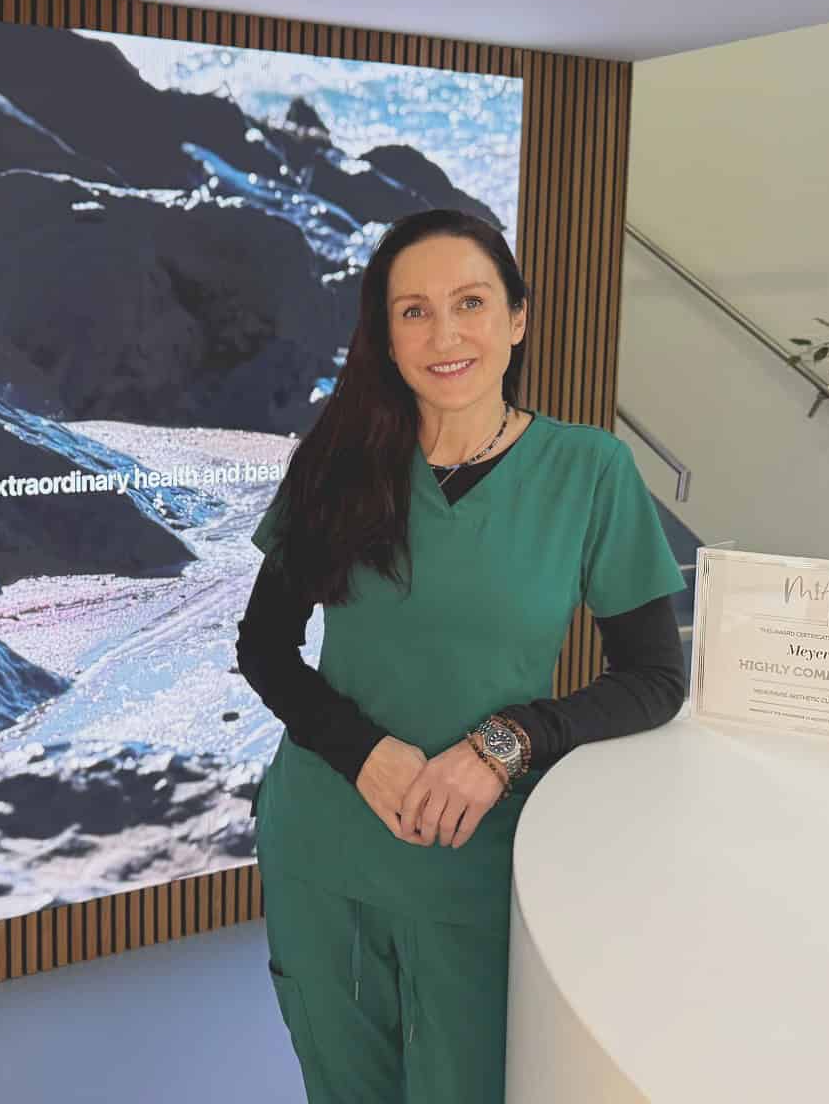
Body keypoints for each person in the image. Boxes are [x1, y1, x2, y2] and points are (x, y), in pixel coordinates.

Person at [237, 208, 688, 1102]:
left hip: (481, 860)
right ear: (386, 335)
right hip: (323, 851)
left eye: (471, 302)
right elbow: (265, 646)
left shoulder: (589, 473)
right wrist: (361, 751)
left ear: (517, 318)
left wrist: (510, 739)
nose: (445, 335)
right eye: (414, 311)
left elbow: (654, 679)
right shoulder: (337, 462)